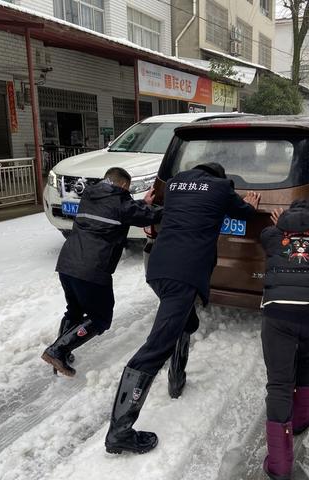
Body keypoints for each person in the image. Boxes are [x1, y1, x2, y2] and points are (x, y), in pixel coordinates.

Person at [104, 162, 261, 455]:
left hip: (159, 268)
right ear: (219, 176)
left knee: (185, 322)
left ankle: (177, 381)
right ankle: (119, 432)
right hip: (184, 274)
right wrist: (250, 205)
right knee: (155, 347)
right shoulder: (221, 188)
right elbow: (244, 212)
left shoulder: (175, 185)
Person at [41, 167, 162, 377]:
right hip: (92, 269)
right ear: (124, 185)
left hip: (67, 263)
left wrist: (142, 204)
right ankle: (58, 350)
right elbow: (145, 216)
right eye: (128, 188)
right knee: (100, 318)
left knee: (74, 310)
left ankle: (60, 353)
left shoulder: (89, 195)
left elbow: (124, 211)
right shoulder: (121, 202)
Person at [259, 200, 309, 480]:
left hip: (278, 312)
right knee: (308, 360)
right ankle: (302, 415)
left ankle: (280, 465)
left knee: (280, 382)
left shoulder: (272, 235)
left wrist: (281, 223)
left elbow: (269, 236)